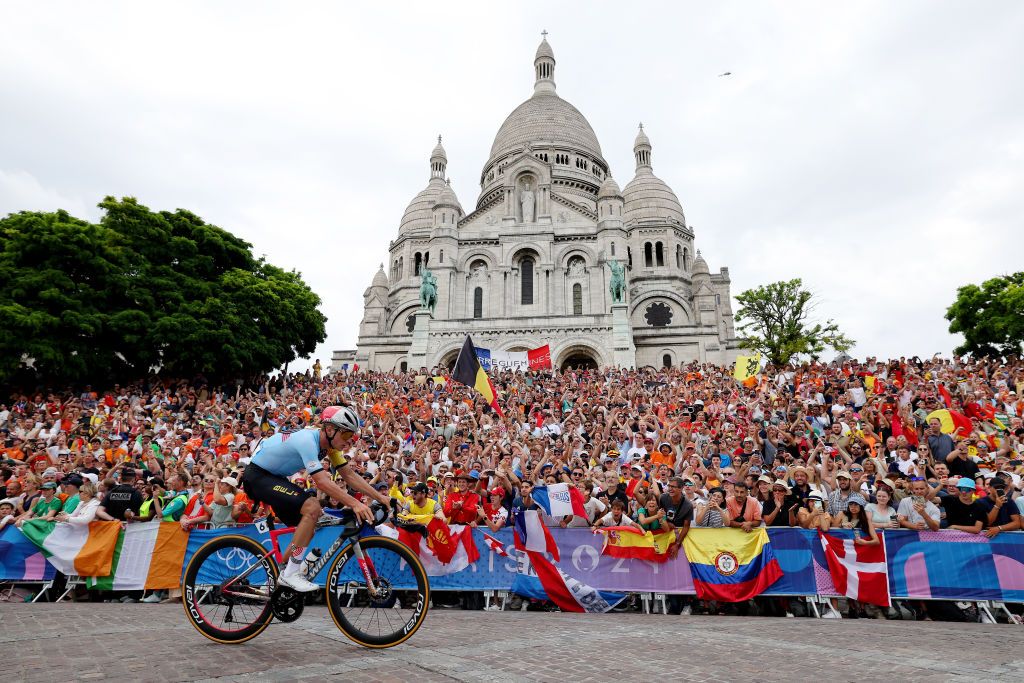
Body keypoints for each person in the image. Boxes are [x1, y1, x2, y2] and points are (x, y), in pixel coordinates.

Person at [242, 405, 390, 592]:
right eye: (345, 435)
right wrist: (354, 504)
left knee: (313, 519)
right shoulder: (307, 440)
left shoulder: (329, 447)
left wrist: (380, 498)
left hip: (274, 477)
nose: (349, 442)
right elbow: (321, 482)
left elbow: (349, 476)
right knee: (312, 507)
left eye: (351, 437)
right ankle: (290, 575)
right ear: (329, 429)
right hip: (258, 476)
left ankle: (283, 570)